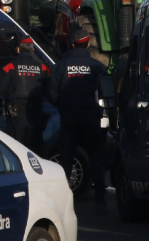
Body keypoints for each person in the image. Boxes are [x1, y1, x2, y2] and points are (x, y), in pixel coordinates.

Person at [49, 29, 110, 213]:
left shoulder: (61, 65)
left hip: (69, 119)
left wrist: (63, 107)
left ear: (73, 44)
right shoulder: (98, 67)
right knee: (95, 158)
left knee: (66, 160)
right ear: (88, 45)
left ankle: (64, 202)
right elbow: (107, 94)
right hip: (92, 118)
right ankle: (100, 200)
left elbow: (52, 92)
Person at [0, 37, 50, 154]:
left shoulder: (11, 66)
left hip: (16, 115)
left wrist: (11, 93)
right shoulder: (43, 68)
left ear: (18, 50)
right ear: (32, 51)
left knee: (16, 149)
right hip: (35, 115)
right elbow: (49, 89)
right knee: (35, 150)